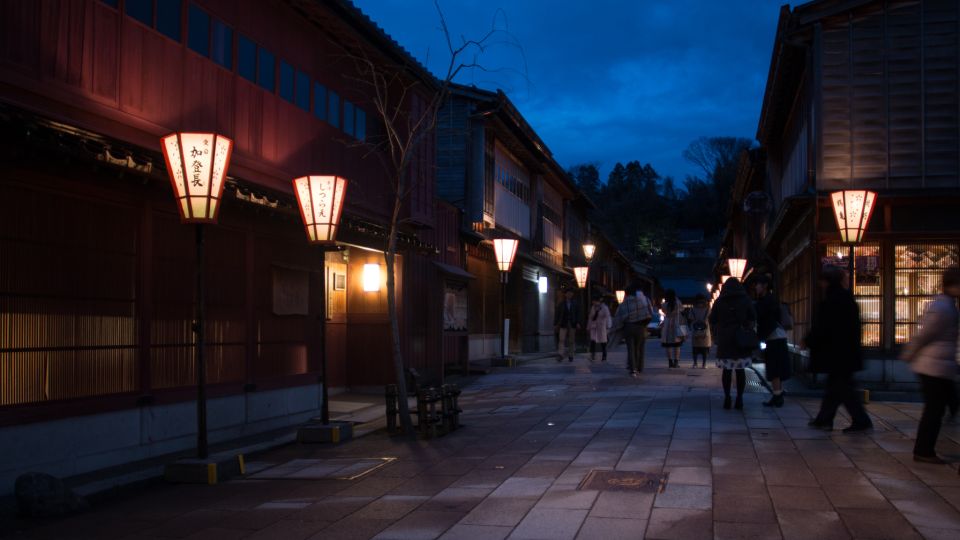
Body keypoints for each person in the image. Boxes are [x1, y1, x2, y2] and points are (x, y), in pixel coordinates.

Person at [899, 267, 960, 463]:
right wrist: (909, 353)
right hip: (933, 366)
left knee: (937, 407)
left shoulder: (946, 305)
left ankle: (924, 449)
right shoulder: (943, 307)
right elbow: (925, 335)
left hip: (938, 364)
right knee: (934, 410)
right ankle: (924, 450)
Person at [804, 265, 873, 432]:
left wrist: (809, 340)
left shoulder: (831, 300)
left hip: (837, 352)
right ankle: (825, 419)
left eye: (822, 281)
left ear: (827, 281)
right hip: (846, 351)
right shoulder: (846, 298)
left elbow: (824, 327)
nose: (820, 285)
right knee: (836, 387)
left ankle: (860, 420)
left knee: (843, 388)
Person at [709, 277, 756, 410]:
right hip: (741, 338)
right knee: (740, 370)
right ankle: (739, 398)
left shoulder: (719, 301)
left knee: (727, 371)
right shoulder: (745, 300)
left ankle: (727, 397)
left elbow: (712, 319)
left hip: (725, 339)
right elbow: (753, 316)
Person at [754, 274, 790, 407]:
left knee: (774, 368)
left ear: (765, 286)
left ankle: (777, 396)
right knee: (775, 369)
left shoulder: (767, 301)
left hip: (773, 337)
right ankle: (777, 394)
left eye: (758, 284)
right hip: (777, 336)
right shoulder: (770, 299)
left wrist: (759, 336)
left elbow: (766, 321)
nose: (756, 287)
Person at [613, 283, 654, 377]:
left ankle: (633, 369)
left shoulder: (625, 302)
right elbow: (649, 313)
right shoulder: (643, 300)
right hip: (641, 327)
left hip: (629, 327)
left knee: (630, 349)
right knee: (639, 348)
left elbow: (619, 316)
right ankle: (639, 367)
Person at [554, 288, 581, 362]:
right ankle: (560, 354)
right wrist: (556, 323)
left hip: (572, 323)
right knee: (561, 339)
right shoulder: (561, 303)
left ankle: (571, 354)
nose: (569, 294)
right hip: (563, 323)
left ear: (572, 294)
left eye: (570, 293)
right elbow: (557, 314)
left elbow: (578, 313)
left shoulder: (575, 303)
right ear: (565, 294)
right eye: (568, 293)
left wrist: (578, 322)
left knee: (571, 340)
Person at [660, 289, 684, 368]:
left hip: (667, 324)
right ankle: (676, 362)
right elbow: (682, 309)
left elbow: (663, 311)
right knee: (677, 345)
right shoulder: (677, 303)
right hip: (676, 323)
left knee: (668, 345)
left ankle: (670, 362)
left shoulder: (664, 304)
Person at [687, 294, 711, 368]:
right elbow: (711, 318)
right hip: (705, 330)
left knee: (695, 348)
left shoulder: (692, 309)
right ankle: (704, 364)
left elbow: (690, 318)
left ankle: (695, 363)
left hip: (695, 329)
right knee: (705, 348)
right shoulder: (708, 309)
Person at [587, 295, 613, 362]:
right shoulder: (593, 307)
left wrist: (608, 326)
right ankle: (592, 355)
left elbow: (608, 317)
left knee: (603, 342)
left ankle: (604, 356)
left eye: (595, 301)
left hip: (602, 326)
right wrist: (589, 326)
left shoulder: (604, 307)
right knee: (593, 341)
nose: (594, 302)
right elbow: (591, 318)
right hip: (594, 326)